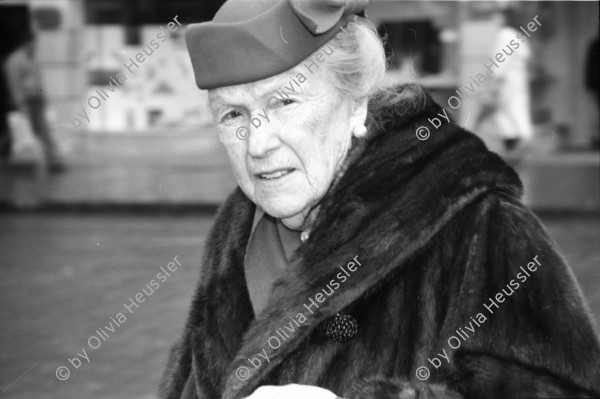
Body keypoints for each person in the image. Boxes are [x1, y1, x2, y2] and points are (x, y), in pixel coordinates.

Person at [160, 1, 600, 398]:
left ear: (356, 106)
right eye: (233, 114)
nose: (257, 144)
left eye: (284, 101)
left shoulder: (481, 227)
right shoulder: (236, 232)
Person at [475, 8, 535, 154]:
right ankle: (519, 149)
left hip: (507, 84)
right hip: (517, 83)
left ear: (504, 18)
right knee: (515, 116)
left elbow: (500, 63)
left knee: (509, 117)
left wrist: (492, 87)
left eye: (497, 16)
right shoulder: (518, 36)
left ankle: (519, 150)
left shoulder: (504, 35)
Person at [4, 37, 65, 172]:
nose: (34, 47)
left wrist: (44, 96)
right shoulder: (15, 61)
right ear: (25, 43)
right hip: (26, 101)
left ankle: (52, 159)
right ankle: (42, 160)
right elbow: (14, 84)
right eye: (32, 44)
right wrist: (20, 104)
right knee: (25, 131)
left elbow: (39, 80)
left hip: (36, 99)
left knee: (41, 130)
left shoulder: (33, 59)